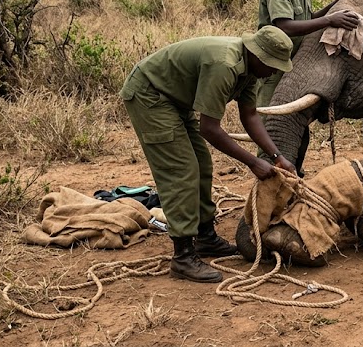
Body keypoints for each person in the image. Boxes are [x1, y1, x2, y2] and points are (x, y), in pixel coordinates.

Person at [120, 25, 298, 283]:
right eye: (273, 65)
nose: (274, 71)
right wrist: (252, 162)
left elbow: (249, 116)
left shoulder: (250, 71)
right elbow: (210, 129)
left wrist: (276, 156)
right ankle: (182, 256)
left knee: (202, 165)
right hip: (151, 95)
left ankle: (205, 237)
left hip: (177, 100)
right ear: (258, 56)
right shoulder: (224, 65)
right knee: (182, 170)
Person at [257, 0, 359, 176]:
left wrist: (334, 7)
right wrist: (329, 20)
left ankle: (294, 177)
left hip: (293, 65)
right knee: (273, 128)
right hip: (272, 65)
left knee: (297, 126)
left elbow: (307, 19)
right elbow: (285, 26)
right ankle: (269, 182)